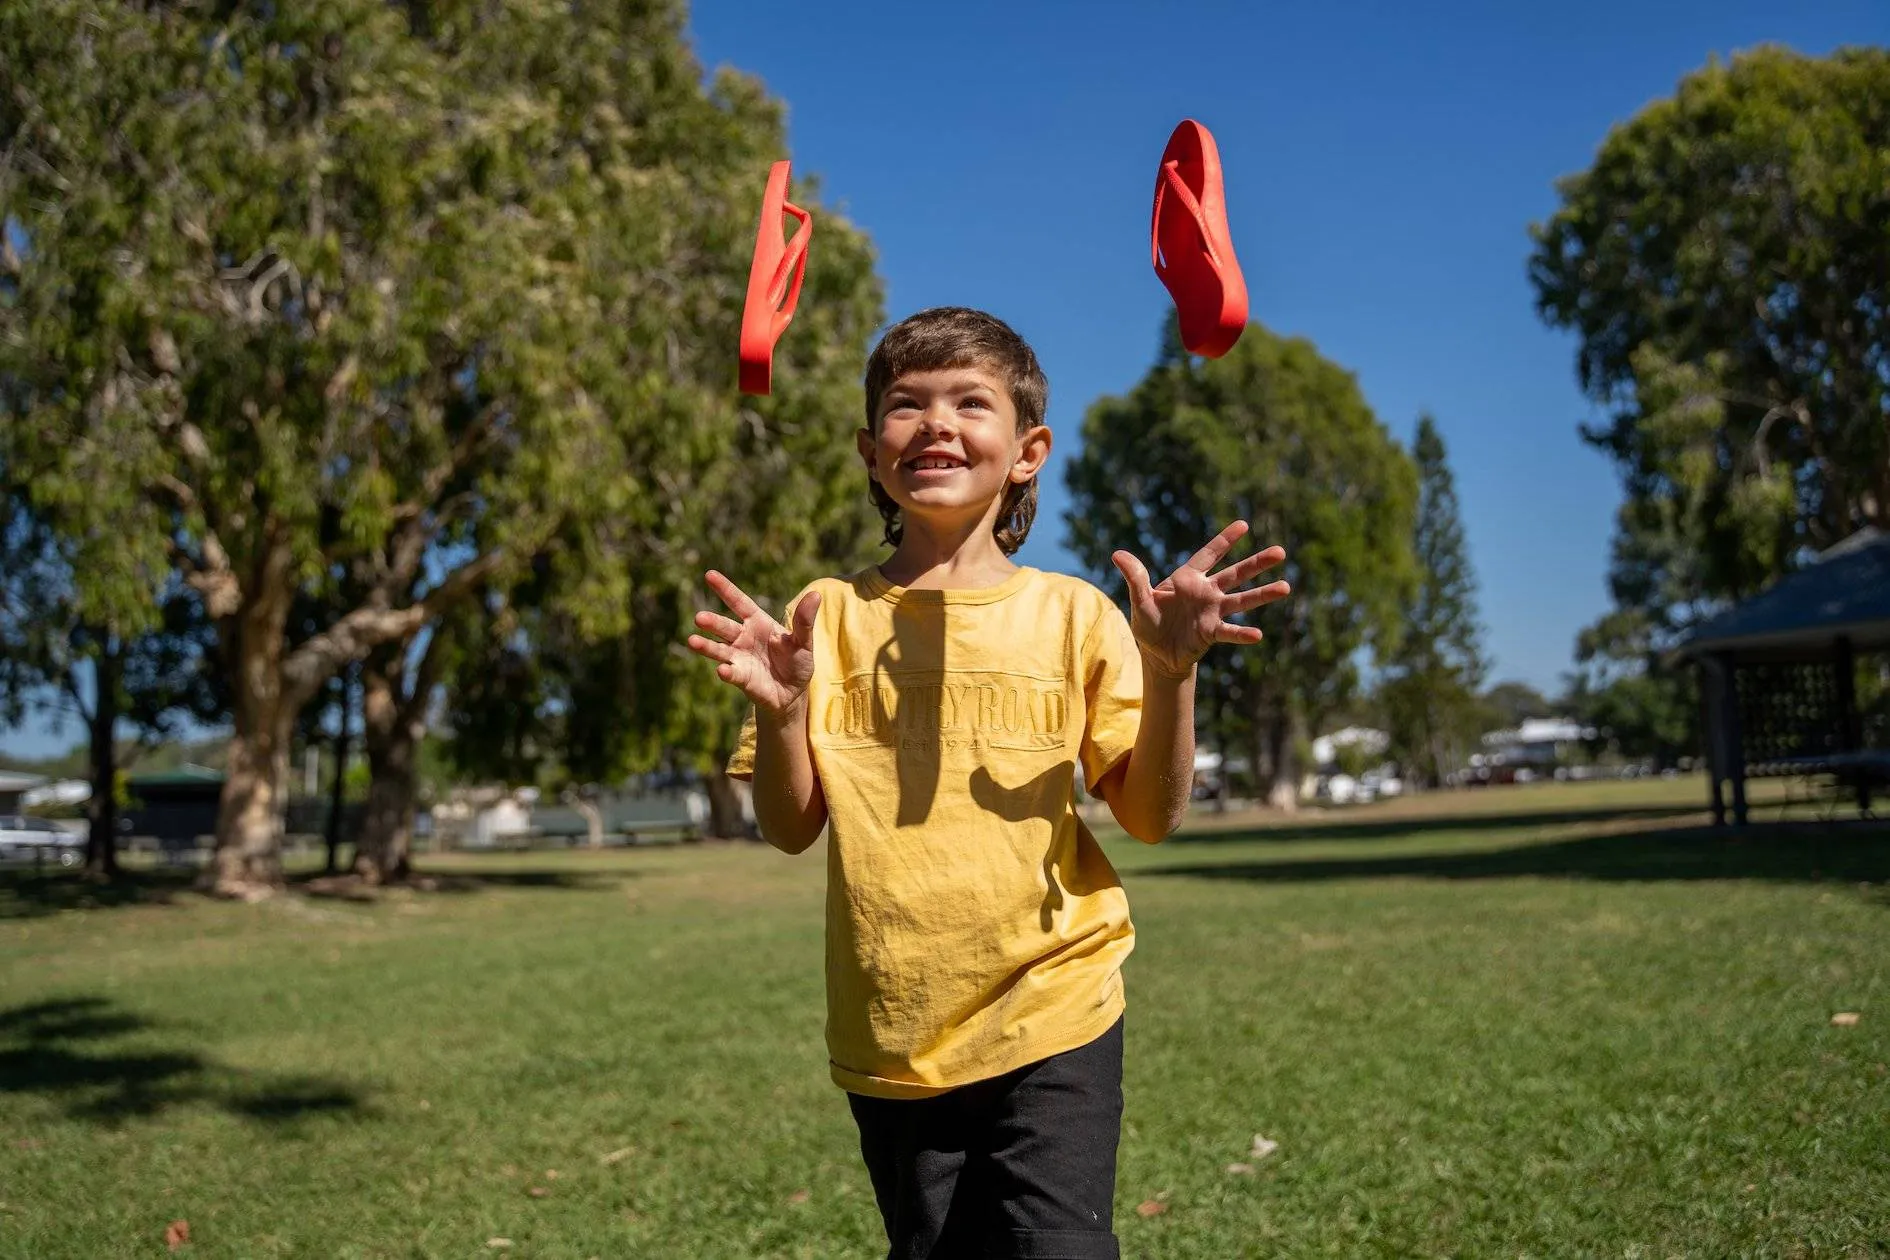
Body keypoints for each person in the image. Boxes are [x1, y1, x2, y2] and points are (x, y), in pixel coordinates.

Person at [686, 307, 1289, 1259]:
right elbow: (792, 827)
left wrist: (1172, 675)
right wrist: (783, 708)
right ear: (869, 448)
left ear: (1027, 450)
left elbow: (1149, 814)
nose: (935, 423)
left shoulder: (1074, 615)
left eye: (972, 402)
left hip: (1055, 997)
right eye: (905, 404)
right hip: (893, 1024)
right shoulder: (824, 617)